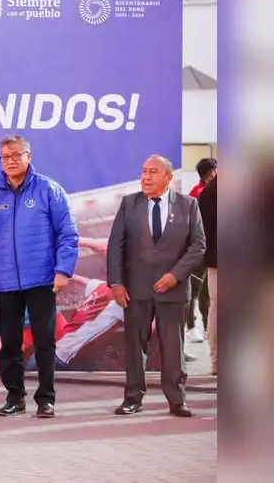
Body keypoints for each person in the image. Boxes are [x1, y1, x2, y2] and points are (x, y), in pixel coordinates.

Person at [0, 135, 78, 418]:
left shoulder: (48, 190)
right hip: (4, 282)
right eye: (5, 157)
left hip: (42, 279)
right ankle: (14, 397)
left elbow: (67, 233)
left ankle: (46, 399)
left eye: (16, 155)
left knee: (44, 342)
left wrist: (63, 270)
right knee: (10, 344)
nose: (10, 161)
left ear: (29, 156)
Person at [108, 155, 205, 418]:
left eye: (153, 172)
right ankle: (132, 398)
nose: (146, 177)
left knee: (173, 348)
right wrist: (116, 283)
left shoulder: (188, 205)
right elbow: (115, 245)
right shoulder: (129, 204)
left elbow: (198, 245)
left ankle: (176, 400)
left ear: (168, 178)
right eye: (143, 171)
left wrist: (175, 275)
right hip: (135, 289)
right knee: (134, 347)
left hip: (172, 290)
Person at [186, 158, 216, 344]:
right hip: (198, 249)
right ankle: (191, 327)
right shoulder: (200, 193)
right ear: (212, 171)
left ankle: (206, 325)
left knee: (207, 291)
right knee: (193, 290)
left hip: (209, 250)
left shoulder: (207, 191)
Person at [196, 171, 217, 375]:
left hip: (215, 261)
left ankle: (216, 362)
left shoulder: (207, 193)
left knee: (216, 310)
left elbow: (200, 231)